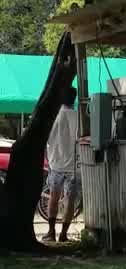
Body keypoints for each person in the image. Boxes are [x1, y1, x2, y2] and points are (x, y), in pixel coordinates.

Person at [43, 87, 80, 242]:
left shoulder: (53, 117)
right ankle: (64, 234)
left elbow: (46, 139)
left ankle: (51, 232)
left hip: (56, 163)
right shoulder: (78, 116)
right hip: (73, 166)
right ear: (74, 98)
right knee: (70, 200)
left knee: (53, 196)